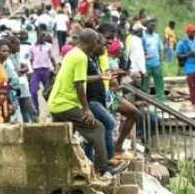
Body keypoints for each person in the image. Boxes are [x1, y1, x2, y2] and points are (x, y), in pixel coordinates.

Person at [47, 29, 125, 178]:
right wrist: (86, 109)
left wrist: (99, 77)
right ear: (90, 42)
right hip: (65, 104)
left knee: (63, 137)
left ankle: (60, 170)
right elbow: (79, 85)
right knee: (98, 128)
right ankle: (103, 167)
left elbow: (81, 78)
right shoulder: (81, 57)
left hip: (56, 102)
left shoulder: (73, 53)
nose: (96, 44)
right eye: (96, 41)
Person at [85, 34, 117, 164]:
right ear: (94, 44)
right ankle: (109, 159)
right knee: (109, 123)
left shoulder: (95, 59)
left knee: (90, 134)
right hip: (91, 101)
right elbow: (80, 79)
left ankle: (91, 161)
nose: (105, 48)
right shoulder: (86, 59)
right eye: (103, 45)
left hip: (98, 99)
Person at [28, 30, 55, 115]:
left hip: (46, 70)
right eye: (41, 36)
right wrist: (30, 70)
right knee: (33, 91)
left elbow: (52, 58)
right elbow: (30, 60)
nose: (43, 38)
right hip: (36, 71)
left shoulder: (49, 46)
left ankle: (52, 109)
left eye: (44, 36)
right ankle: (36, 110)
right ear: (37, 36)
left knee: (48, 91)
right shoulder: (32, 47)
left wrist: (55, 69)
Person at [142, 19, 165, 102]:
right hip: (146, 64)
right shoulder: (143, 36)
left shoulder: (156, 36)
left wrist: (161, 60)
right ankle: (144, 101)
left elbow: (160, 49)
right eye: (151, 25)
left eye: (154, 25)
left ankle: (161, 101)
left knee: (159, 83)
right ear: (147, 25)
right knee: (145, 84)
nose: (153, 27)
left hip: (156, 64)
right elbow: (141, 49)